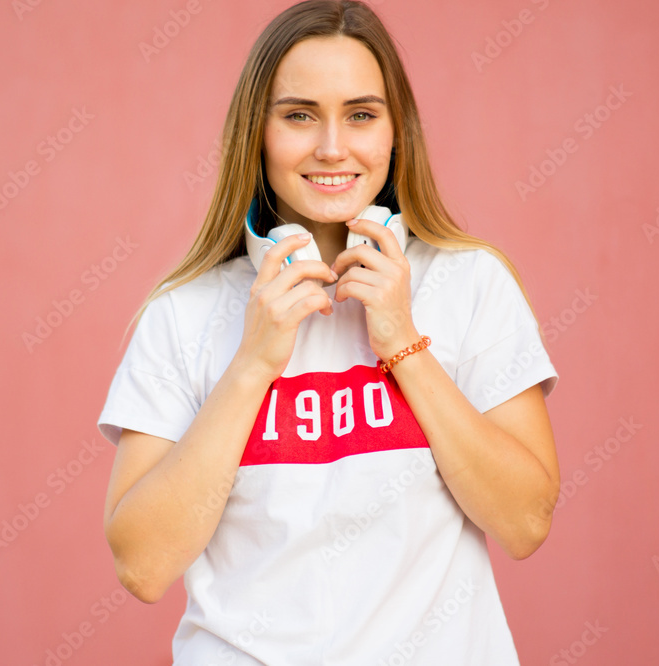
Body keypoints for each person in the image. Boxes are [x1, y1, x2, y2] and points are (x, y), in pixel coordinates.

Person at [98, 1, 560, 663]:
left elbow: (523, 523)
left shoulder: (471, 283)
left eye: (362, 115)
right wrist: (253, 364)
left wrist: (403, 343)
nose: (332, 147)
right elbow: (142, 565)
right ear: (257, 134)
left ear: (397, 133)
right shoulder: (184, 313)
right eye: (299, 115)